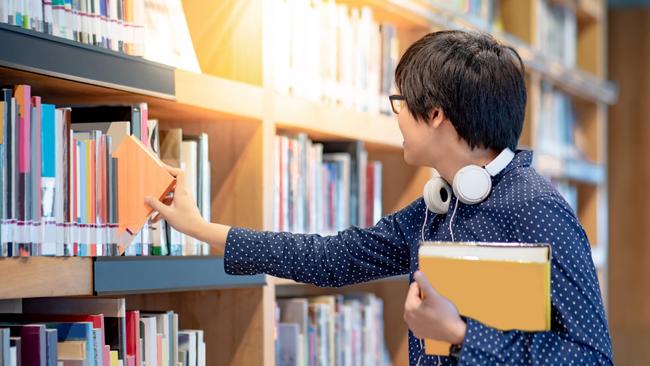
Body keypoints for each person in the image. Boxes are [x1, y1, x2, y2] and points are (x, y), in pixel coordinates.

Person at [145, 30, 613, 365]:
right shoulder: (440, 206)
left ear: (435, 115)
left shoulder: (536, 209)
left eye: (399, 103)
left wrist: (460, 335)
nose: (396, 117)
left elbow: (591, 356)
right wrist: (201, 227)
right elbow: (332, 258)